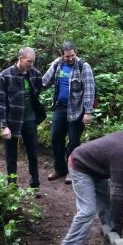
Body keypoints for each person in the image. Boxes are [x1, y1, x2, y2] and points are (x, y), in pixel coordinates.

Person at [41, 42, 95, 184]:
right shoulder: (58, 64)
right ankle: (60, 168)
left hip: (77, 109)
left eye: (72, 55)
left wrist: (88, 112)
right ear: (62, 55)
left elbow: (89, 90)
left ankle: (72, 171)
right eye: (67, 56)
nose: (70, 58)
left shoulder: (84, 66)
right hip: (60, 108)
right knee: (55, 138)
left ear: (75, 52)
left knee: (74, 141)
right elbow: (45, 81)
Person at [0, 47, 47, 192]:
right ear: (20, 58)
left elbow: (41, 87)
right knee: (11, 155)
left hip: (30, 119)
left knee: (33, 153)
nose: (31, 64)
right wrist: (3, 125)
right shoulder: (5, 76)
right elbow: (1, 103)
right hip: (12, 120)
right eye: (29, 61)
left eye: (33, 61)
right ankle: (12, 185)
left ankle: (35, 185)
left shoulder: (34, 73)